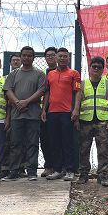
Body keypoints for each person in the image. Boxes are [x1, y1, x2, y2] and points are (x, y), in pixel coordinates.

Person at [3, 46, 46, 180]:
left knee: (32, 143)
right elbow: (8, 90)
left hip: (33, 115)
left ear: (33, 58)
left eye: (29, 55)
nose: (26, 58)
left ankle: (32, 171)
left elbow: (41, 91)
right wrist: (17, 102)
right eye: (24, 55)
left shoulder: (39, 74)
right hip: (17, 115)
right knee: (15, 143)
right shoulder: (13, 74)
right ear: (21, 57)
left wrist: (26, 102)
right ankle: (14, 171)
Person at [42, 47, 81, 181]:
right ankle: (57, 169)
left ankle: (70, 170)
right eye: (60, 56)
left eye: (65, 56)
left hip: (67, 112)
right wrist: (44, 110)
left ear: (69, 58)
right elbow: (47, 92)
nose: (62, 58)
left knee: (68, 142)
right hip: (52, 112)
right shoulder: (50, 74)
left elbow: (78, 92)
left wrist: (76, 109)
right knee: (54, 142)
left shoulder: (74, 73)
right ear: (56, 58)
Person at [77, 57, 108, 186]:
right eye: (94, 67)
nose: (96, 69)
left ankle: (103, 175)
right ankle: (83, 174)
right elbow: (78, 102)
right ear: (90, 68)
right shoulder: (82, 84)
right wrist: (76, 118)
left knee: (104, 149)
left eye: (99, 67)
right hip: (85, 120)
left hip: (102, 121)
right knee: (83, 148)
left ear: (102, 69)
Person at [40, 47, 58, 177]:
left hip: (61, 110)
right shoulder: (42, 74)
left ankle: (59, 166)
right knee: (45, 139)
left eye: (53, 55)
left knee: (57, 139)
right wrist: (43, 109)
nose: (50, 57)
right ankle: (49, 165)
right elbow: (44, 92)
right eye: (48, 55)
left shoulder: (66, 71)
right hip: (46, 110)